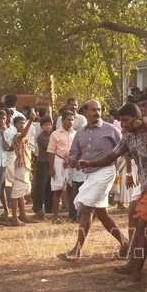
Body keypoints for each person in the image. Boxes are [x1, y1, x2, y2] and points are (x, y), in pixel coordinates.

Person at [83, 103, 147, 284]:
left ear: (137, 117)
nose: (123, 125)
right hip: (145, 186)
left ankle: (136, 272)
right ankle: (133, 265)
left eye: (126, 120)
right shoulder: (128, 137)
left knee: (142, 227)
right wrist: (89, 163)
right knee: (137, 222)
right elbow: (111, 157)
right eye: (121, 121)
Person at [58, 100, 128, 262]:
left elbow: (125, 149)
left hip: (105, 172)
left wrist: (125, 170)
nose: (97, 112)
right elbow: (75, 154)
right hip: (88, 174)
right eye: (93, 110)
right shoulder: (80, 133)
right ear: (85, 112)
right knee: (101, 213)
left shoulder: (110, 129)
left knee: (85, 208)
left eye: (99, 109)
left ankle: (77, 250)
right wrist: (71, 161)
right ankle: (126, 244)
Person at [7, 113, 35, 226]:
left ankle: (22, 215)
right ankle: (14, 218)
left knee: (22, 192)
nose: (23, 125)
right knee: (17, 192)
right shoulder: (16, 136)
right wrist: (30, 121)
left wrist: (30, 169)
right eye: (20, 123)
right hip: (20, 165)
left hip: (26, 165)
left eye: (24, 122)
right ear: (15, 125)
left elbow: (28, 154)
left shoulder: (24, 136)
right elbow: (22, 134)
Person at [48, 110, 75, 224]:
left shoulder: (75, 134)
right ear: (63, 120)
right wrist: (51, 168)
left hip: (71, 162)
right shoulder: (55, 134)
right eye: (68, 119)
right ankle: (55, 217)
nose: (70, 122)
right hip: (58, 161)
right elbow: (50, 151)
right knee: (57, 189)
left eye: (72, 120)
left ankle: (71, 214)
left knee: (71, 188)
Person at [32, 116, 54, 218]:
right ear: (41, 127)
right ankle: (37, 207)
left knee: (50, 186)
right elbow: (51, 148)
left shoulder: (52, 136)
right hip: (43, 163)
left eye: (49, 124)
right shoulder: (41, 137)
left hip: (51, 163)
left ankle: (49, 207)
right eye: (45, 125)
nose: (48, 127)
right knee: (41, 186)